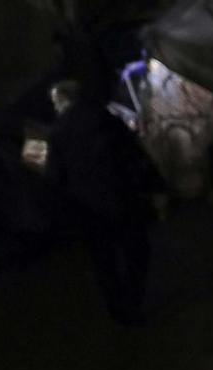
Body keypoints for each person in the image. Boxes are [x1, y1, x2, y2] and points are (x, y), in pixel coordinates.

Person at [43, 80, 162, 325]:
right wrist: (154, 182)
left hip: (87, 207)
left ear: (63, 100)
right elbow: (133, 150)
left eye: (55, 102)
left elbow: (54, 177)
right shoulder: (103, 117)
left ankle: (118, 310)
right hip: (120, 194)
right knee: (137, 248)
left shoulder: (56, 132)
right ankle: (135, 298)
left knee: (104, 261)